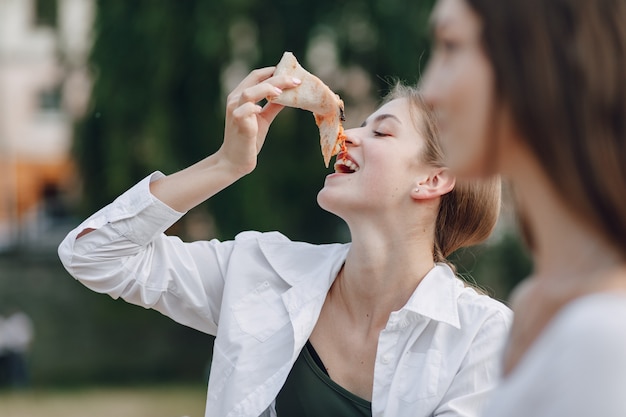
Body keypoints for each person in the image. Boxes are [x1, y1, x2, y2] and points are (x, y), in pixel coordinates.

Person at [58, 68, 512, 416]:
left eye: (382, 131)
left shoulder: (483, 338)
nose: (347, 135)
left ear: (433, 179)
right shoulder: (259, 272)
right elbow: (95, 254)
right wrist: (225, 164)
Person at [421, 0, 626, 415]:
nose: (428, 91)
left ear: (536, 55)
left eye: (451, 46)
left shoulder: (605, 337)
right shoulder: (533, 302)